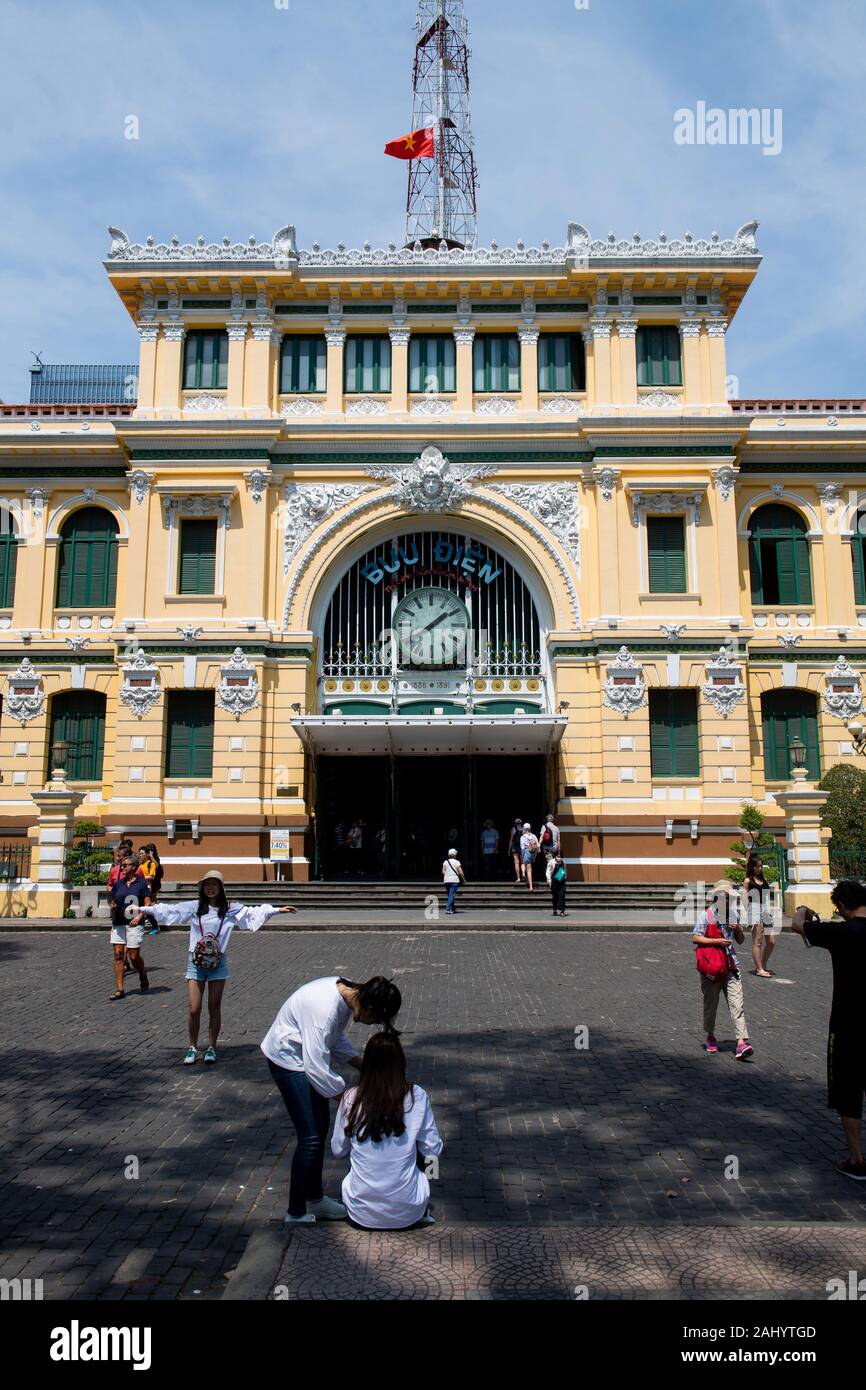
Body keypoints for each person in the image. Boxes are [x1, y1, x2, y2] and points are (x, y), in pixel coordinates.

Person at [262, 975, 403, 1223]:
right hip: (287, 1059)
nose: (370, 1024)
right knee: (310, 1138)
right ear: (369, 1007)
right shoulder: (325, 1009)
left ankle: (315, 1199)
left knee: (321, 1128)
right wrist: (352, 1100)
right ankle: (295, 1212)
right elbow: (315, 1067)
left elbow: (334, 1039)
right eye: (375, 1020)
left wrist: (365, 1067)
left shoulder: (347, 996)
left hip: (305, 1056)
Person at [132, 869, 297, 1064]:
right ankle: (192, 1046)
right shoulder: (195, 906)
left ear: (220, 887)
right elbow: (170, 910)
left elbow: (253, 912)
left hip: (218, 962)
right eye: (207, 885)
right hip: (196, 961)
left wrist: (277, 910)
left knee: (214, 1006)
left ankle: (211, 1046)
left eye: (214, 884)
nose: (210, 888)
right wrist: (142, 910)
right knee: (194, 1008)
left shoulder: (229, 908)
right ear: (202, 888)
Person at [331, 1030, 443, 1230]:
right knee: (427, 1155)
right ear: (401, 1063)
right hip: (409, 1213)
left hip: (360, 1213)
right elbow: (432, 1150)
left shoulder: (351, 1098)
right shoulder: (417, 1095)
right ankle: (425, 1202)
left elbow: (338, 1150)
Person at [792, 881, 866, 1180]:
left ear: (844, 906)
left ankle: (857, 1160)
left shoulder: (841, 932)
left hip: (848, 1025)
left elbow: (798, 925)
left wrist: (802, 910)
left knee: (848, 1093)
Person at [693, 879, 754, 1060]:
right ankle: (710, 1035)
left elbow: (741, 941)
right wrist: (716, 941)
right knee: (711, 1005)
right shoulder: (707, 915)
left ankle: (741, 1042)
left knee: (737, 1005)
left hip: (730, 965)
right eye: (727, 898)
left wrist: (738, 930)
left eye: (730, 899)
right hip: (712, 967)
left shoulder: (733, 915)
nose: (729, 902)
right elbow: (696, 937)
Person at [108, 852, 152, 1000]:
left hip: (134, 923)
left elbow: (147, 903)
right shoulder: (119, 883)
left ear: (134, 867)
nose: (122, 867)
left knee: (133, 956)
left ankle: (142, 973)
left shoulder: (141, 884)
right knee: (118, 955)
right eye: (122, 865)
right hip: (119, 921)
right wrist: (113, 905)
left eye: (125, 865)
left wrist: (140, 915)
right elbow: (113, 898)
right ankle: (120, 989)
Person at [743, 853, 776, 977]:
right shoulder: (748, 880)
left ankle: (763, 963)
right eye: (757, 866)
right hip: (754, 909)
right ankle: (759, 969)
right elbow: (745, 899)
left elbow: (767, 896)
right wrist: (748, 915)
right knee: (758, 941)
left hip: (765, 910)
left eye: (761, 866)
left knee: (772, 940)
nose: (760, 868)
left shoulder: (763, 879)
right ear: (752, 867)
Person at [442, 847, 465, 914]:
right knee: (451, 895)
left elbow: (443, 871)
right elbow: (461, 872)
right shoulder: (457, 862)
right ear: (454, 855)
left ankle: (453, 908)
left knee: (450, 895)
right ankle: (448, 909)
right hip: (454, 881)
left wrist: (447, 874)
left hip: (446, 880)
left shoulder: (445, 862)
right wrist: (463, 878)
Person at [539, 813, 561, 884]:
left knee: (549, 863)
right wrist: (559, 851)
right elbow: (559, 841)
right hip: (554, 849)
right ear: (553, 820)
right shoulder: (557, 828)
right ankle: (556, 877)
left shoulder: (544, 826)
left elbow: (542, 837)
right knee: (554, 863)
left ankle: (549, 879)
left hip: (547, 849)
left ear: (547, 819)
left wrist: (539, 846)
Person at [520, 822, 540, 893]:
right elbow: (538, 845)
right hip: (533, 853)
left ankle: (530, 886)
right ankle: (527, 879)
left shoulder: (523, 837)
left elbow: (522, 848)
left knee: (528, 870)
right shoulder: (534, 835)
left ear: (524, 829)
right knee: (528, 867)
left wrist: (522, 855)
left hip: (527, 852)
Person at [508, 818, 525, 885]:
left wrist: (509, 849)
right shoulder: (524, 829)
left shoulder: (513, 829)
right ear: (521, 823)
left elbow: (511, 839)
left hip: (515, 847)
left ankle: (518, 878)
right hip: (522, 847)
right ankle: (523, 873)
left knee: (516, 863)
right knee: (523, 862)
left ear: (515, 823)